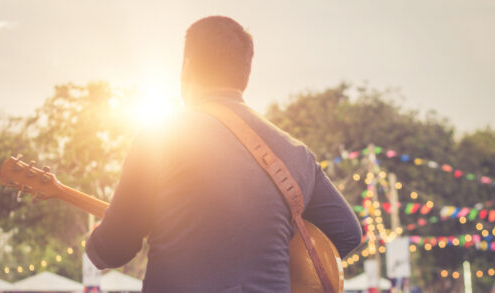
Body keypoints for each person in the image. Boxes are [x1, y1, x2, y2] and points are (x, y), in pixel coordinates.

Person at [86, 16, 362, 293]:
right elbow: (347, 233)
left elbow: (113, 249)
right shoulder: (297, 154)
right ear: (245, 73)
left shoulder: (160, 137)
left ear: (187, 66)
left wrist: (96, 240)